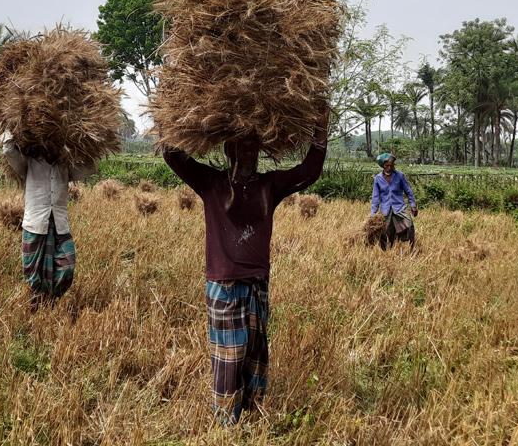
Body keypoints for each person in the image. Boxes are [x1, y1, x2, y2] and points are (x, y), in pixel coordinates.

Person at [162, 107, 329, 425]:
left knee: (254, 351)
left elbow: (309, 171)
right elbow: (173, 156)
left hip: (256, 283)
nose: (249, 153)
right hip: (223, 285)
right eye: (242, 147)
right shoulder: (210, 183)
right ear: (230, 150)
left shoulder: (269, 186)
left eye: (254, 147)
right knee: (229, 356)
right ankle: (226, 421)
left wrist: (320, 130)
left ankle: (252, 411)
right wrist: (165, 117)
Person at [1, 132, 95, 307]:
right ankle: (37, 303)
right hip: (35, 223)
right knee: (32, 269)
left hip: (60, 224)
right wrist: (11, 129)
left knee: (68, 264)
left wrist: (91, 147)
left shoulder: (64, 165)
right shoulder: (28, 162)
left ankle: (52, 299)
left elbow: (89, 170)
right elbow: (9, 152)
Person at [370, 152, 418, 250]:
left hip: (399, 207)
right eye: (387, 165)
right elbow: (375, 198)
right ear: (382, 166)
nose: (389, 167)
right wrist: (373, 214)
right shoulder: (378, 179)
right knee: (384, 231)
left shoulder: (400, 176)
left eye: (391, 165)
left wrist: (413, 205)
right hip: (385, 210)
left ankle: (411, 248)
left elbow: (408, 191)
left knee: (409, 225)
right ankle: (385, 251)